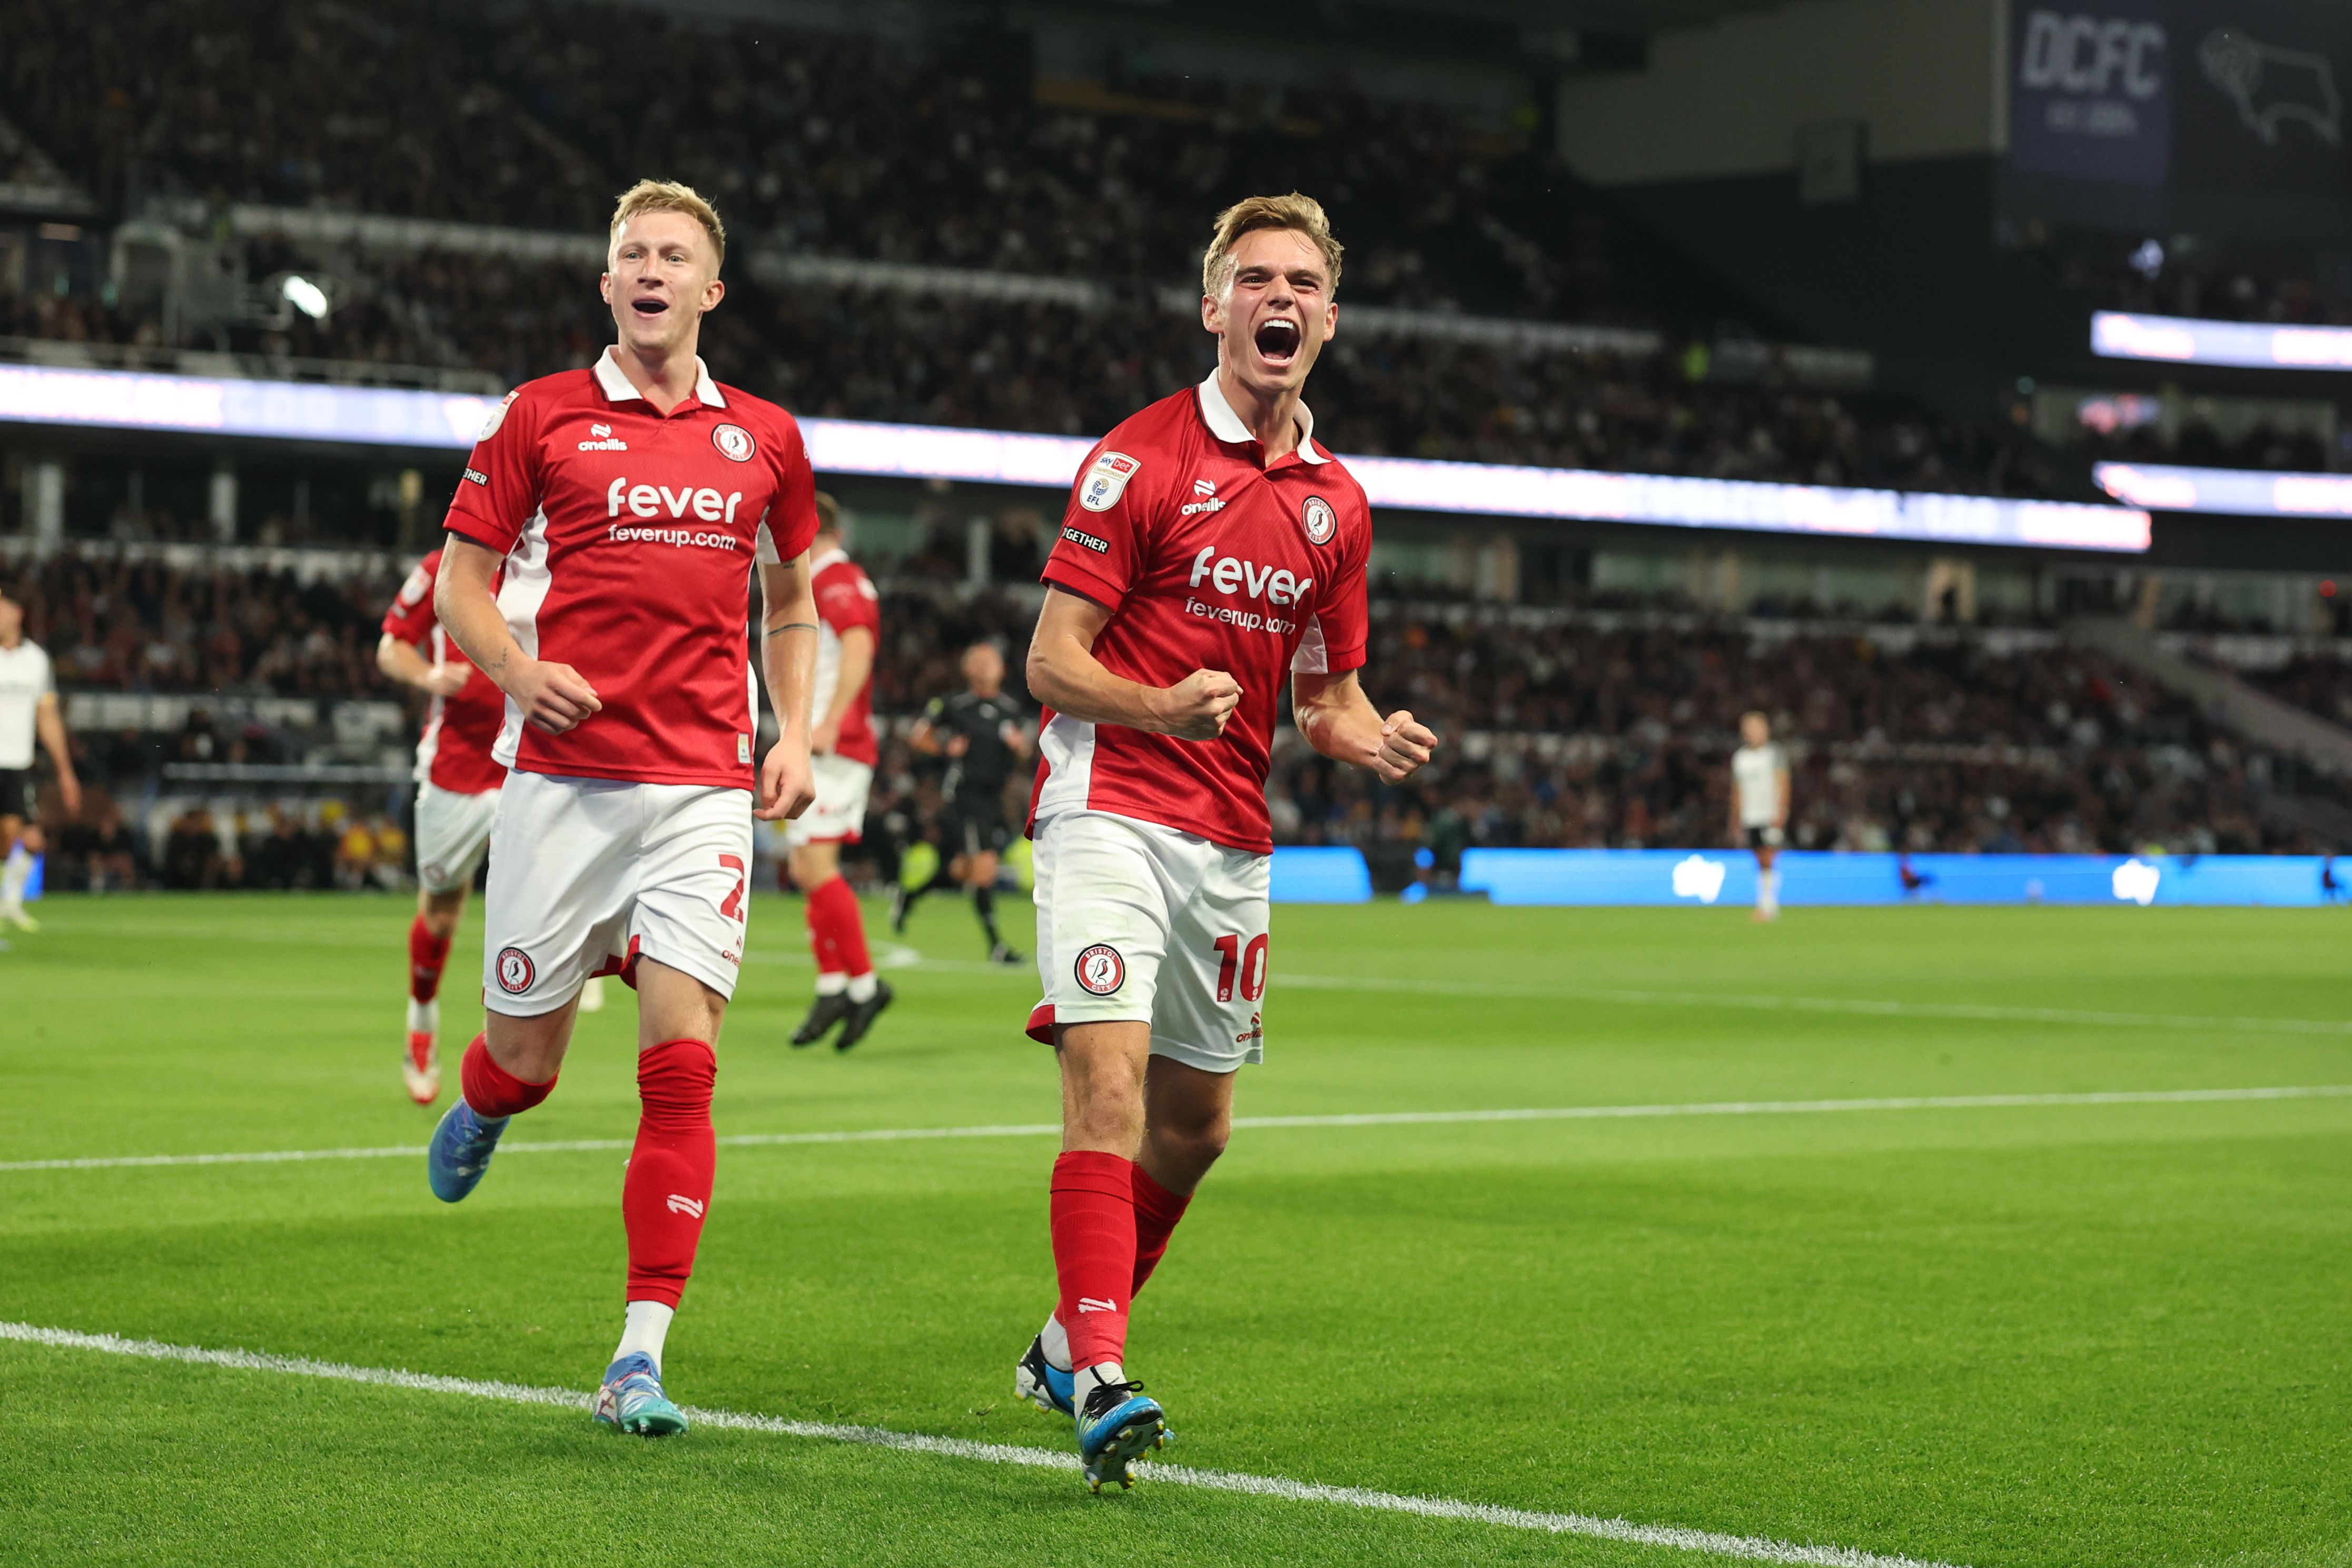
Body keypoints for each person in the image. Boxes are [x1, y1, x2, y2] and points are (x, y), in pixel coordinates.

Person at [1011, 193, 1436, 1490]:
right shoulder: (1141, 461)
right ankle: (1100, 1372)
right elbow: (1049, 659)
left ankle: (1056, 1342)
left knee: (1196, 1128)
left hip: (1230, 841)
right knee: (1111, 1089)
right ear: (1215, 308)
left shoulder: (1337, 507)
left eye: (1302, 281)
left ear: (1330, 319)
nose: (1279, 298)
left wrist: (1366, 736)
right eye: (1254, 278)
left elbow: (1322, 696)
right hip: (1109, 811)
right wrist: (1155, 703)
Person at [420, 178, 821, 1439]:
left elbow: (796, 601)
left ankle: (637, 1355)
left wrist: (796, 730)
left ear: (711, 289)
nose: (651, 270)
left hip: (700, 791)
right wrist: (516, 670)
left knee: (682, 1067)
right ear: (608, 285)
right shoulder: (540, 415)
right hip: (562, 787)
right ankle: (484, 1096)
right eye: (631, 253)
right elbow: (463, 589)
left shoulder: (765, 435)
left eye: (676, 255)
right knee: (530, 1060)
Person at [379, 548, 511, 1103]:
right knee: (441, 912)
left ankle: (511, 1057)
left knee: (543, 892)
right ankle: (422, 1019)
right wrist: (430, 675)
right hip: (454, 768)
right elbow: (391, 646)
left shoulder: (551, 557)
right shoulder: (442, 567)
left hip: (526, 761)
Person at [785, 491, 893, 1051]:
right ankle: (835, 984)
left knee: (818, 863)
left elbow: (857, 645)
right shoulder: (826, 577)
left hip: (837, 743)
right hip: (821, 742)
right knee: (805, 865)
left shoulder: (833, 577)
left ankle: (865, 985)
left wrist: (829, 721)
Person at [896, 641, 1031, 963]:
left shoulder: (1009, 710)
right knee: (984, 868)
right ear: (967, 669)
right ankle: (997, 947)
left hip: (994, 799)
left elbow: (1024, 754)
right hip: (963, 795)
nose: (985, 668)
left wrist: (1019, 747)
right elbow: (918, 735)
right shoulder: (953, 705)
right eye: (979, 662)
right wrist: (945, 748)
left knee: (960, 869)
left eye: (991, 662)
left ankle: (909, 897)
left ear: (1002, 670)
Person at [0, 582, 80, 932]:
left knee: (29, 839)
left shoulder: (36, 661)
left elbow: (47, 718)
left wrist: (66, 772)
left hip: (17, 764)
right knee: (10, 833)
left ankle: (10, 902)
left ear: (18, 613)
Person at [1730, 710, 1790, 921]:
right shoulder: (1740, 758)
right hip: (1750, 816)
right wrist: (1735, 819)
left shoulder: (1774, 754)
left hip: (1769, 814)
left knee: (1768, 856)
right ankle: (1766, 903)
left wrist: (1781, 812)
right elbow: (1737, 791)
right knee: (1759, 857)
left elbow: (1783, 784)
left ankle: (1768, 905)